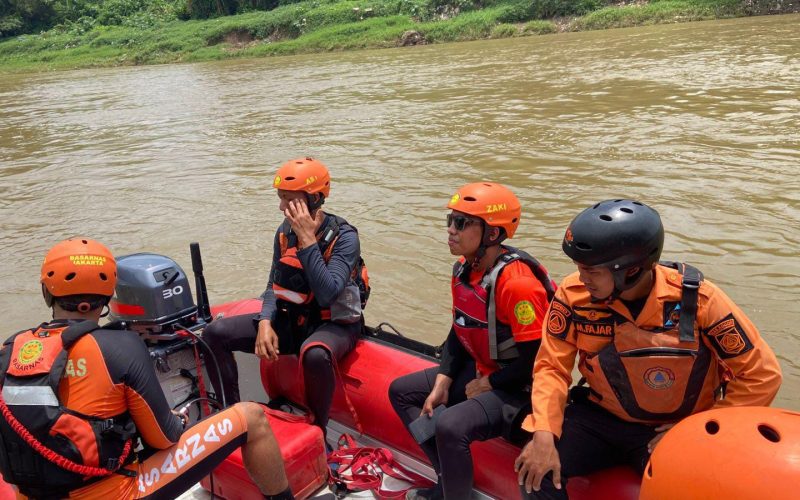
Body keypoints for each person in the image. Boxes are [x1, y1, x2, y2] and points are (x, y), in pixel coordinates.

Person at [515, 199, 783, 499]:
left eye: (591, 270)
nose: (582, 277)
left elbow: (761, 376)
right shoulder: (573, 296)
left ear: (629, 271)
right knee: (534, 474)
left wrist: (697, 430)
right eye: (579, 267)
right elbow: (552, 367)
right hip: (602, 418)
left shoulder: (700, 301)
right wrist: (544, 433)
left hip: (675, 427)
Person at [0, 238, 293, 499]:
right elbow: (164, 438)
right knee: (251, 417)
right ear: (107, 298)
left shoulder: (10, 350)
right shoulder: (121, 347)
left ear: (46, 292)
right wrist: (177, 420)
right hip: (115, 492)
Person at [389, 182, 556, 500]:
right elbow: (459, 327)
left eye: (462, 223)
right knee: (402, 392)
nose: (451, 230)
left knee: (450, 425)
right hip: (485, 371)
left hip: (519, 387)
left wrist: (490, 384)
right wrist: (443, 378)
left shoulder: (517, 285)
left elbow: (539, 361)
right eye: (450, 221)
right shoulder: (465, 269)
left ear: (492, 234)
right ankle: (448, 479)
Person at [203, 157, 365, 439]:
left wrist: (308, 241)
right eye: (280, 199)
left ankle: (317, 430)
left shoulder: (345, 237)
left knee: (315, 354)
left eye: (288, 200)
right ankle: (231, 416)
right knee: (214, 333)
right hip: (294, 319)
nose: (281, 207)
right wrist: (265, 321)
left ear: (314, 199)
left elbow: (328, 294)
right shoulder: (283, 232)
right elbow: (272, 284)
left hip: (334, 324)